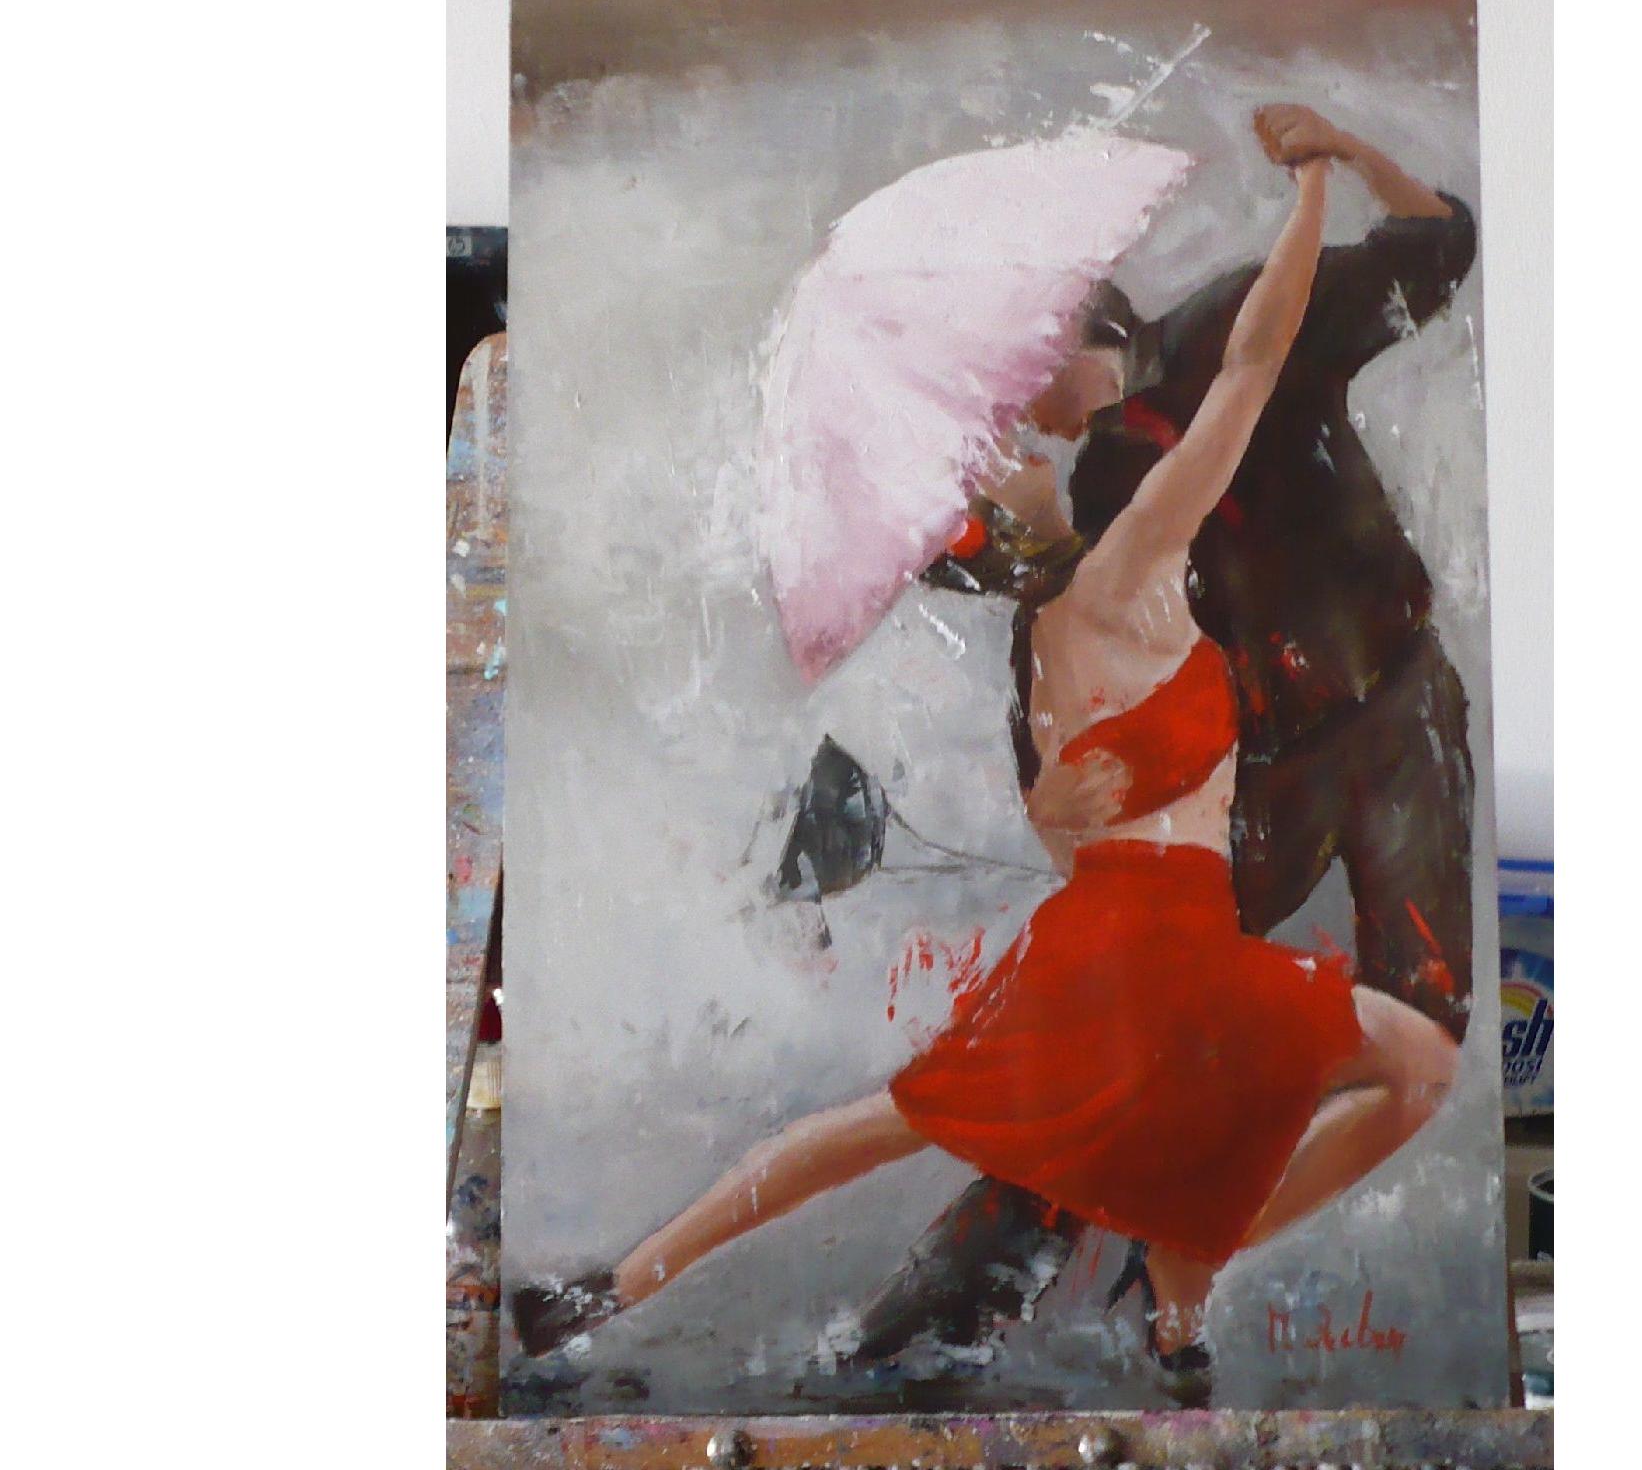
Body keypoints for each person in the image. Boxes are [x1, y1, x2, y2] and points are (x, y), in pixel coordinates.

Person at [511, 108, 1458, 1397]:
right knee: (1411, 1069)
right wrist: (1306, 190)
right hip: (1163, 958)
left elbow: (1071, 825)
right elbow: (1248, 367)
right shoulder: (1123, 573)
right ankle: (1182, 1288)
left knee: (878, 1130)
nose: (1015, 445)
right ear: (1004, 525)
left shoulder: (1040, 650)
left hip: (1119, 947)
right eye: (996, 462)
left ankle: (612, 1286)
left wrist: (1072, 808)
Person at [848, 101, 1479, 1369]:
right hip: (1236, 778)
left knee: (1420, 1023)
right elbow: (1010, 621)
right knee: (1122, 1043)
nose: (1013, 423)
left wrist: (1340, 154)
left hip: (1394, 715)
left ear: (1077, 334)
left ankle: (1190, 1241)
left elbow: (1436, 248)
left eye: (1017, 387)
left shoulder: (1234, 329)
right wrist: (1049, 797)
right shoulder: (1045, 508)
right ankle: (950, 1303)